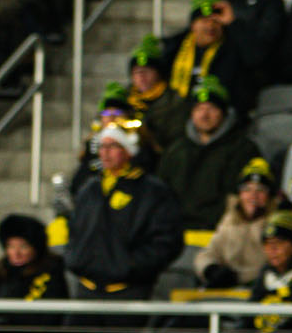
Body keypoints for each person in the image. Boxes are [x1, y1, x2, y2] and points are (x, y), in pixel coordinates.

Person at [60, 121, 184, 303]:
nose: (106, 152)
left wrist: (132, 266)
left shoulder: (152, 190)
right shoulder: (89, 188)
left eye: (114, 146)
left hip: (129, 291)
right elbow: (75, 229)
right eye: (102, 146)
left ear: (128, 151)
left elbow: (167, 239)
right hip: (85, 289)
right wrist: (75, 258)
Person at [156, 77, 260, 233]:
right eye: (199, 108)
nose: (204, 115)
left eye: (211, 108)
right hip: (175, 232)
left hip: (220, 234)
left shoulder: (243, 150)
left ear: (224, 112)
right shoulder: (176, 149)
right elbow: (161, 193)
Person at [0, 214, 68, 333]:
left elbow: (47, 319)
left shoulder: (51, 275)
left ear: (36, 248)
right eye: (11, 246)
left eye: (23, 247)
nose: (16, 253)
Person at [197, 158, 278, 289]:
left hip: (261, 290)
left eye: (260, 190)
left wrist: (237, 277)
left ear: (270, 196)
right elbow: (207, 254)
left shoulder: (276, 223)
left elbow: (274, 265)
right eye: (247, 189)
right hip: (227, 291)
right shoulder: (230, 220)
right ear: (239, 194)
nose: (253, 195)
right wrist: (210, 269)